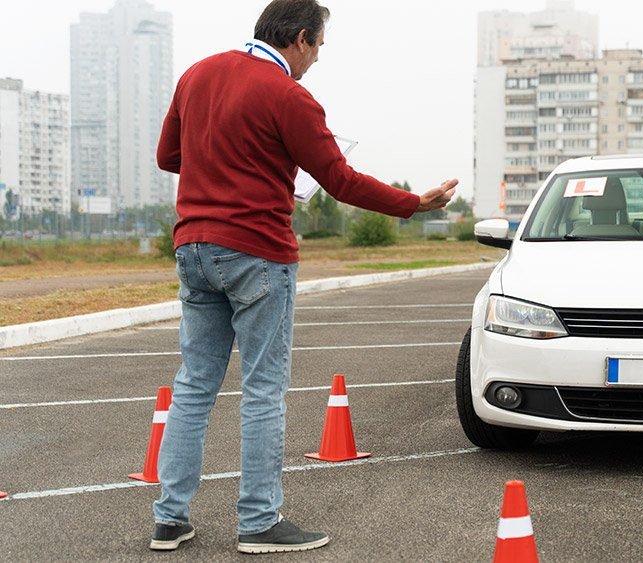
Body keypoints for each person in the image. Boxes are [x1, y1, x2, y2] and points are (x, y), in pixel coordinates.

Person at [149, 0, 455, 554]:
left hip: (194, 246)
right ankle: (259, 522)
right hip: (257, 251)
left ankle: (170, 519)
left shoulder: (197, 74)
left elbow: (169, 156)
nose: (316, 59)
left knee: (195, 386)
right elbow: (339, 179)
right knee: (264, 388)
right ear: (300, 38)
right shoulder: (289, 94)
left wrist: (227, 163)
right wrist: (414, 203)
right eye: (319, 47)